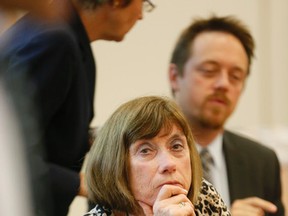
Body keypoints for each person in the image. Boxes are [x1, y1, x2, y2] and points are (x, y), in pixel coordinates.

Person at [0, 0, 155, 215]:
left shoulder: (72, 43)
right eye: (144, 3)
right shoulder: (54, 41)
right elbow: (12, 150)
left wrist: (118, 137)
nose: (141, 16)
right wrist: (92, 186)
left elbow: (56, 132)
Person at [168, 15, 285, 216]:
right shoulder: (138, 157)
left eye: (236, 76)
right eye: (209, 71)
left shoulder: (262, 162)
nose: (224, 84)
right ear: (175, 77)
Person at [84, 96, 230, 216]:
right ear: (116, 166)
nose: (169, 164)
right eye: (145, 151)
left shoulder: (204, 196)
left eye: (176, 146)